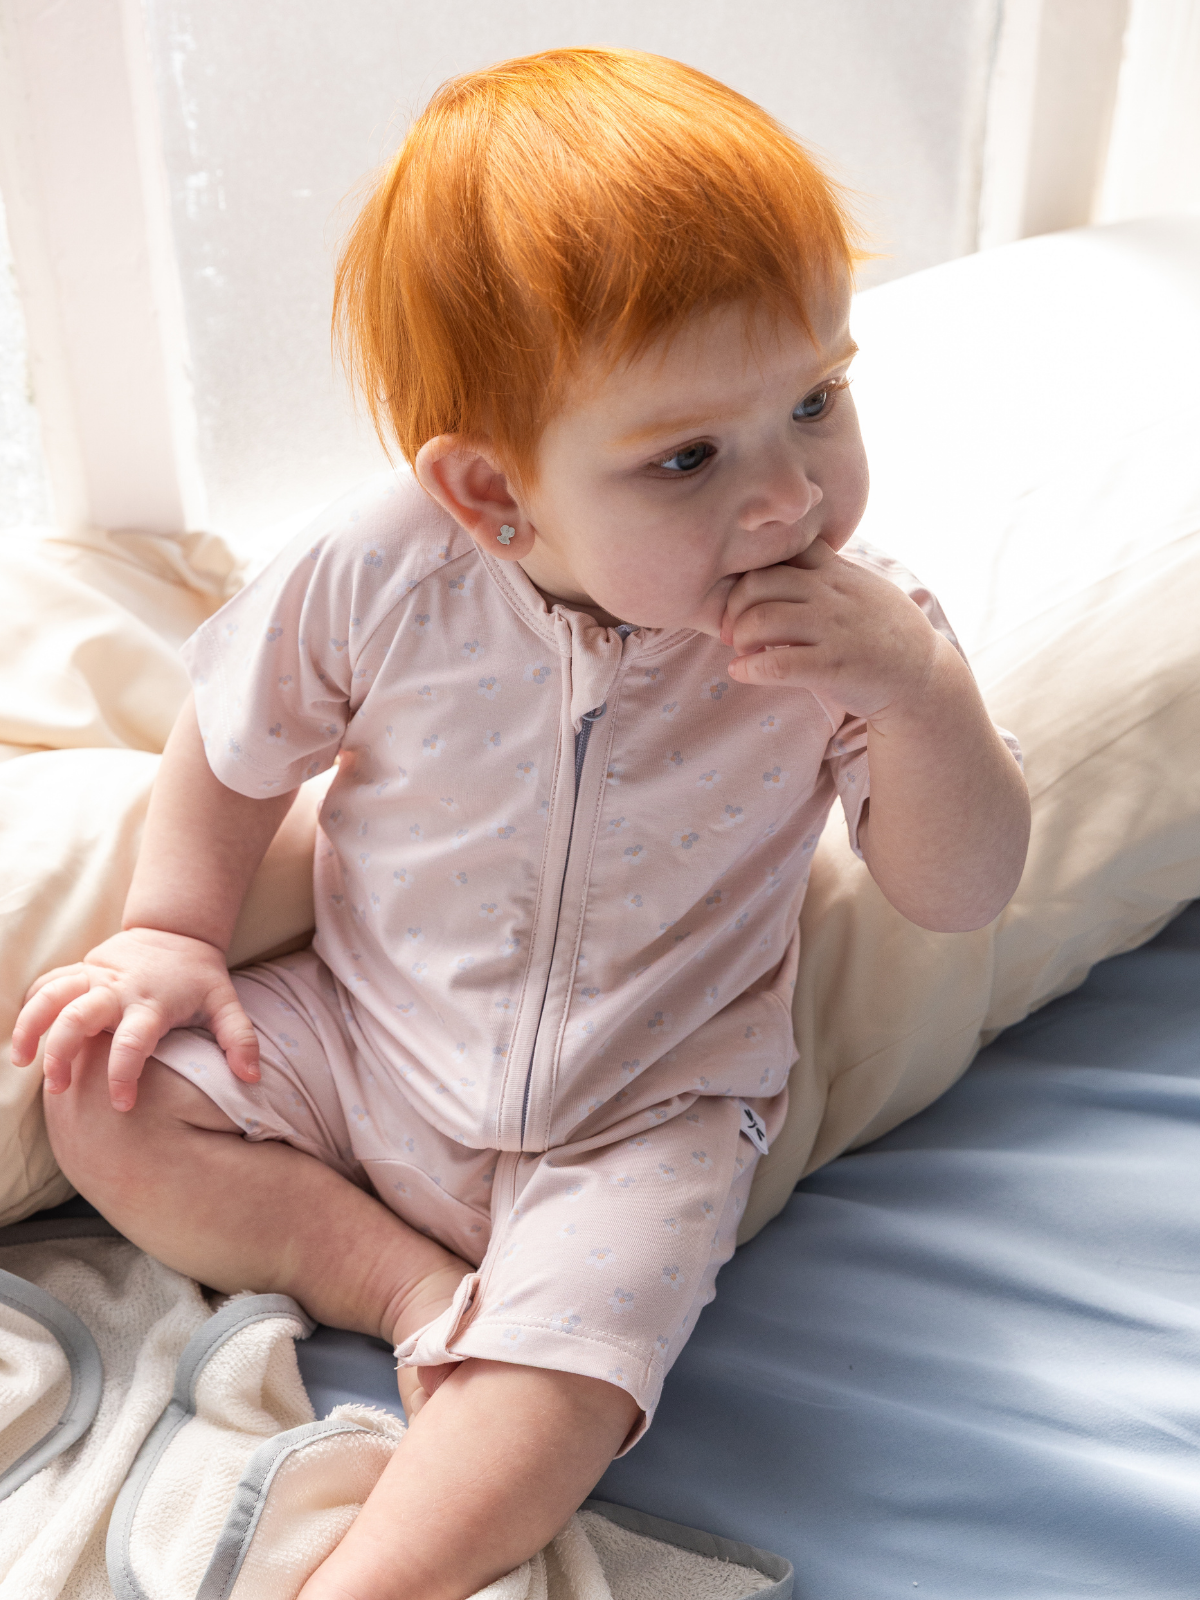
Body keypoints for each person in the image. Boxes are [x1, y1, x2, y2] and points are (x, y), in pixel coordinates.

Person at [11, 48, 1030, 1600]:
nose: (786, 500)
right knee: (109, 1093)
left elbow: (960, 890)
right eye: (689, 457)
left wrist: (924, 698)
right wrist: (171, 930)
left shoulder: (859, 637)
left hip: (645, 1103)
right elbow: (231, 737)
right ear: (493, 494)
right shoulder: (385, 570)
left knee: (582, 1368)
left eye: (815, 400)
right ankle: (396, 1282)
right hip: (366, 1034)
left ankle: (372, 1580)